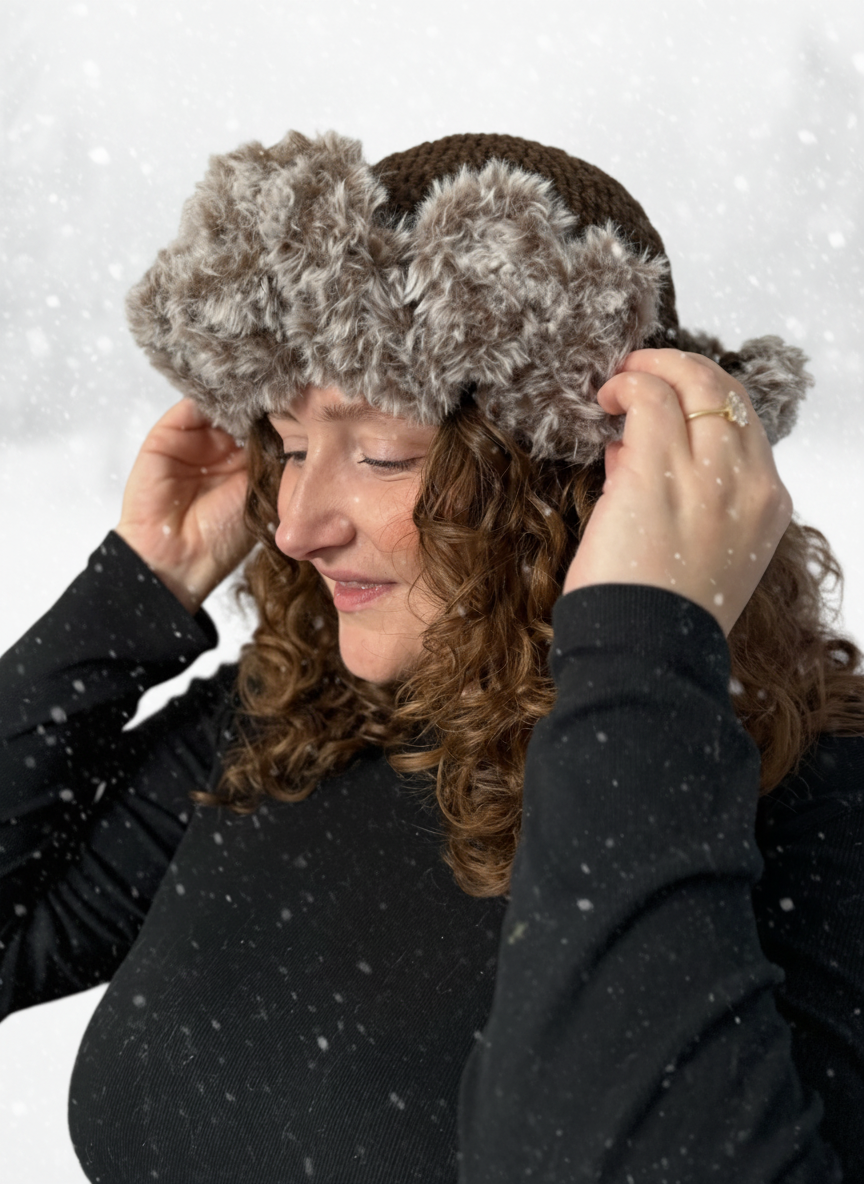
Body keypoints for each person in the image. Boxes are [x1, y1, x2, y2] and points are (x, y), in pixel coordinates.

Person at [1, 131, 862, 1183]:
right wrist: (131, 590)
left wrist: (641, 652)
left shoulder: (806, 797)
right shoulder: (296, 719)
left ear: (570, 472)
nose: (296, 523)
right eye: (291, 441)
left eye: (379, 452)